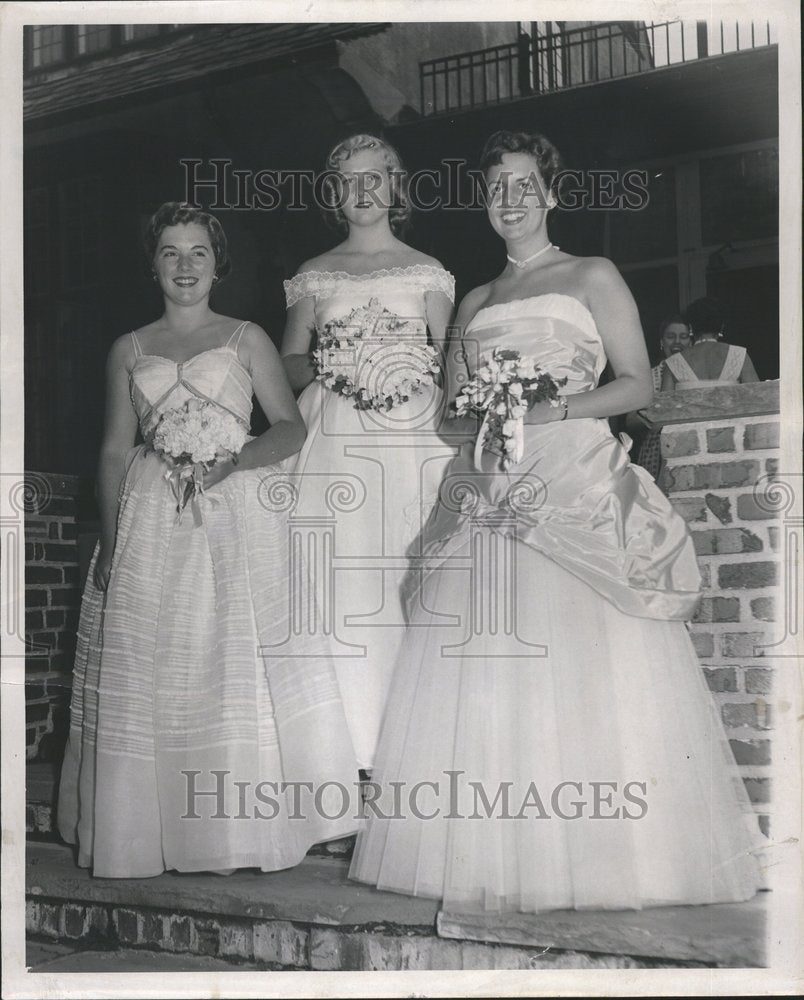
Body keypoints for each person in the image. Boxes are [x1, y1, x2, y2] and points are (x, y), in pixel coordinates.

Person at [350, 131, 762, 912]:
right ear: (484, 202)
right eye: (496, 188)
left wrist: (550, 405)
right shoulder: (473, 302)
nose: (511, 200)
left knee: (587, 662)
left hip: (573, 473)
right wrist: (479, 413)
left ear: (551, 193)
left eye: (524, 185)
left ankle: (609, 857)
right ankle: (501, 852)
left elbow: (638, 385)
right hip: (493, 482)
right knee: (485, 668)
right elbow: (448, 418)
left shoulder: (592, 275)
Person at [58, 202, 361, 878]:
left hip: (235, 508)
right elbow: (112, 452)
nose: (185, 265)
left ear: (217, 264)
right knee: (158, 659)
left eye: (198, 252)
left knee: (230, 658)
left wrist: (234, 458)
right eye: (171, 252)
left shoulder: (246, 337)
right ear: (153, 264)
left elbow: (290, 428)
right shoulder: (128, 349)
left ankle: (235, 828)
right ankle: (149, 826)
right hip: (150, 521)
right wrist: (111, 544)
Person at [280, 134, 456, 771]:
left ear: (394, 186)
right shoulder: (313, 274)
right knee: (340, 581)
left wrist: (404, 360)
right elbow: (288, 366)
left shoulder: (427, 271)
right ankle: (341, 757)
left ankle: (417, 754)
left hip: (413, 436)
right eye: (347, 181)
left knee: (412, 574)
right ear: (334, 194)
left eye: (373, 178)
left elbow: (452, 359)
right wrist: (337, 355)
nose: (362, 192)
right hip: (332, 440)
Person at [627, 314, 692, 480]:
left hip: (691, 450)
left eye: (683, 337)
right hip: (655, 455)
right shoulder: (648, 377)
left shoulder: (698, 375)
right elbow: (631, 421)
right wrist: (655, 417)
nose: (677, 342)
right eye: (671, 337)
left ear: (691, 342)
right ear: (662, 342)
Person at [661, 296, 759, 388]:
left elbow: (664, 405)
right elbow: (757, 398)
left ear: (690, 328)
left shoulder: (673, 363)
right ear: (721, 326)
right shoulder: (739, 356)